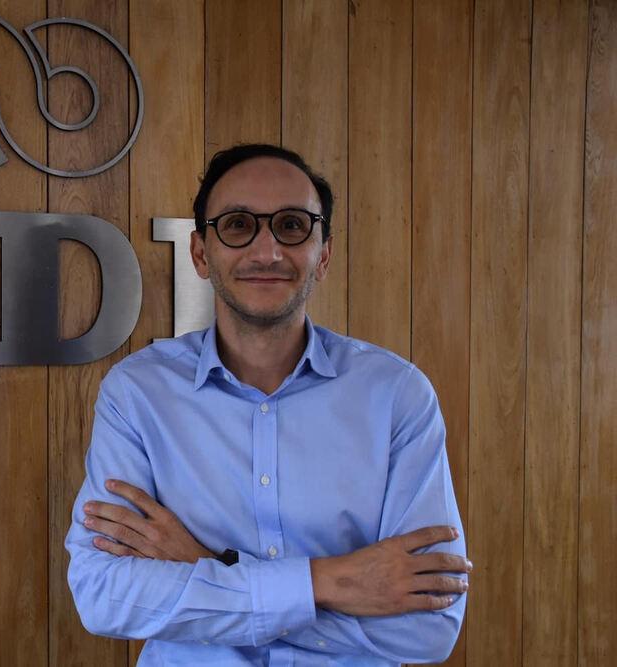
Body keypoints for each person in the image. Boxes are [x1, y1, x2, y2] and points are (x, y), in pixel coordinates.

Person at [65, 144, 470, 665]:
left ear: (322, 254)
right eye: (237, 225)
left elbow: (428, 629)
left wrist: (207, 566)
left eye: (292, 225)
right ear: (200, 253)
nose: (267, 251)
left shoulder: (397, 395)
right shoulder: (139, 393)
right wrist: (330, 582)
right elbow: (104, 596)